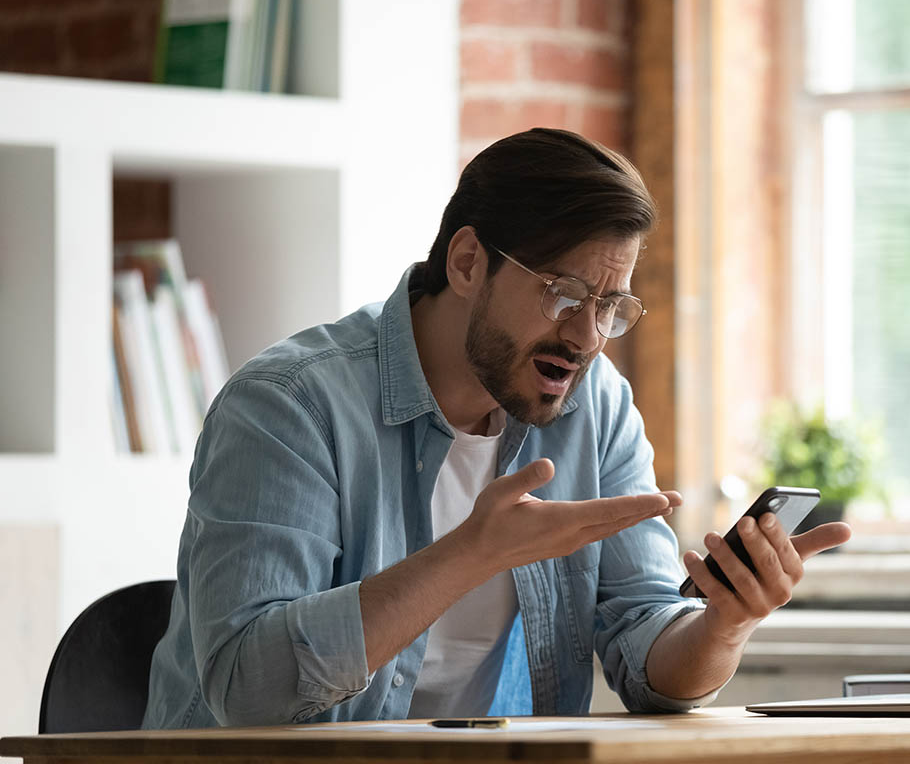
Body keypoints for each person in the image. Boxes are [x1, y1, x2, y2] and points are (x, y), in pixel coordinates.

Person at [143, 128, 851, 728]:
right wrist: (468, 555)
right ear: (467, 262)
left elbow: (646, 656)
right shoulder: (289, 406)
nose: (587, 336)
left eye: (610, 305)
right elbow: (246, 688)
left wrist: (725, 624)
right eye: (564, 293)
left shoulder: (593, 405)